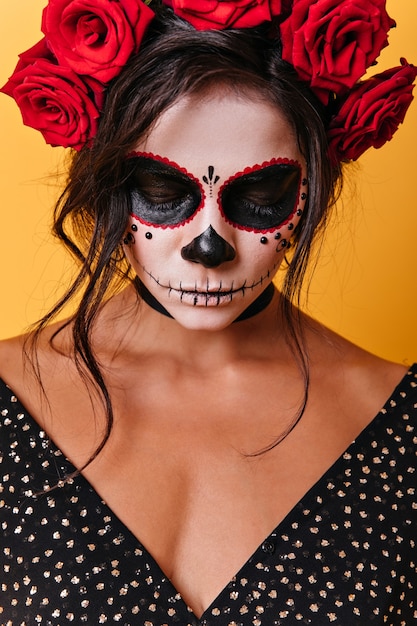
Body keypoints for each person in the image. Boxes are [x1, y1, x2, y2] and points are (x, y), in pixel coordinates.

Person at [0, 0, 416, 624]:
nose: (208, 247)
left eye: (260, 194)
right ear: (105, 182)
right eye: (165, 192)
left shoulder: (402, 429)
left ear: (315, 186)